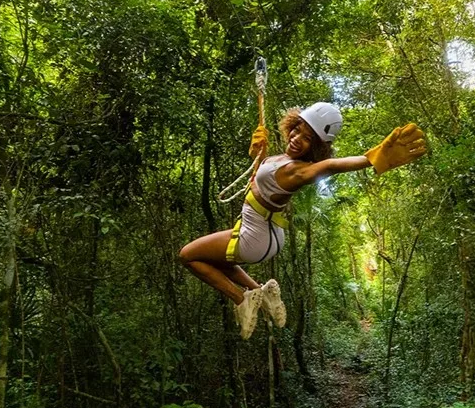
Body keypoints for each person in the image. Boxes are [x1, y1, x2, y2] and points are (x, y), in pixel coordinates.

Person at [178, 102, 427, 339]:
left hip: (256, 237)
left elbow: (330, 166)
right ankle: (261, 292)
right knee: (217, 259)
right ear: (292, 125)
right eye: (298, 130)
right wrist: (258, 154)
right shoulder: (285, 161)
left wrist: (369, 159)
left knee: (189, 256)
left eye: (308, 138)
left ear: (316, 147)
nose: (297, 138)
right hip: (266, 233)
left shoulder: (298, 171)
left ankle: (242, 299)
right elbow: (263, 179)